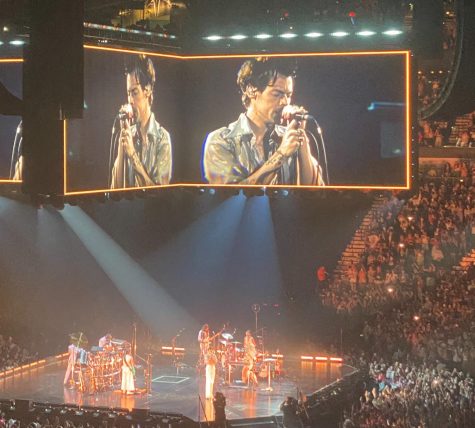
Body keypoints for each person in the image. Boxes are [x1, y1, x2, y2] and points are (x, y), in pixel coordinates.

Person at [202, 57, 325, 186]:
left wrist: (301, 138)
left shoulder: (288, 137)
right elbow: (231, 198)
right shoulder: (222, 140)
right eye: (277, 94)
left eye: (288, 95)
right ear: (251, 90)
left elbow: (315, 193)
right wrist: (281, 154)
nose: (285, 102)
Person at [109, 54, 172, 188]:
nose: (130, 100)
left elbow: (160, 194)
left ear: (147, 90)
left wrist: (132, 154)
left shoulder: (162, 139)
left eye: (135, 92)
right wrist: (122, 146)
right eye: (128, 93)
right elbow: (114, 190)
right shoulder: (128, 135)